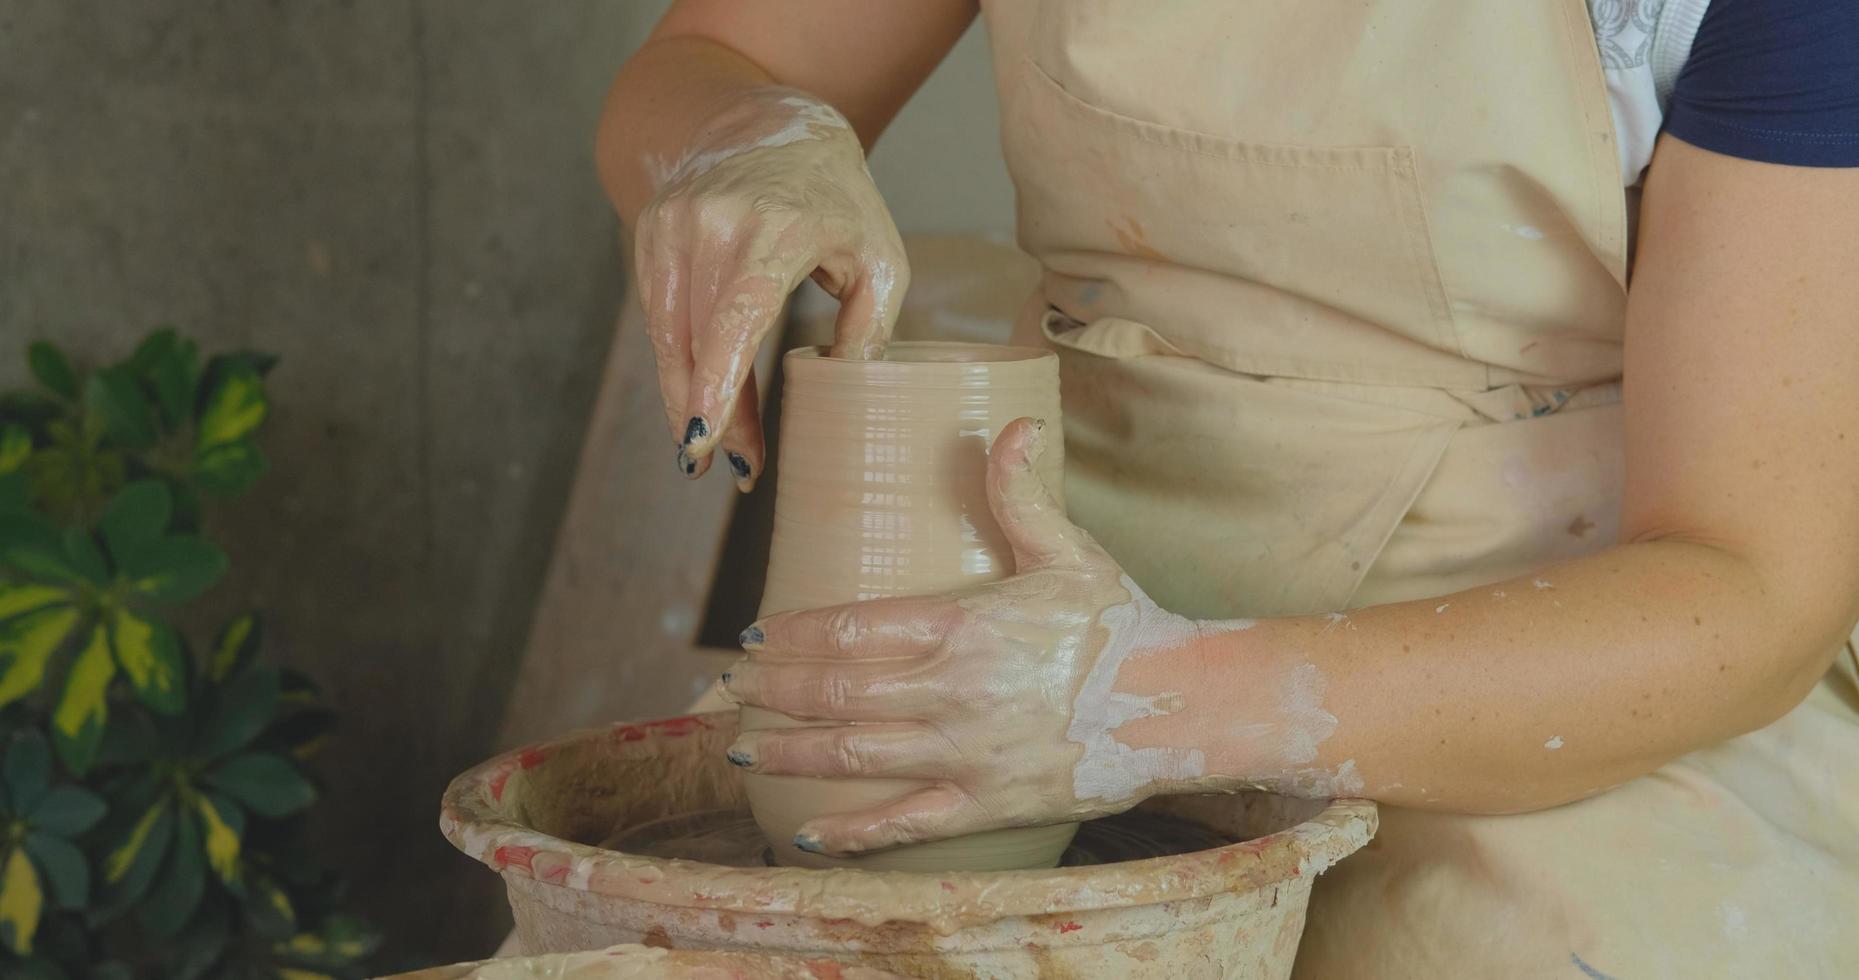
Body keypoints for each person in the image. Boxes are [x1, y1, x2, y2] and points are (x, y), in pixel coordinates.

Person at [595, 1, 1859, 975]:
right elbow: (715, 51)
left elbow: (1750, 588)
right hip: (1036, 585)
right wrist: (732, 141)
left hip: (1553, 673)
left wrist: (1136, 703)